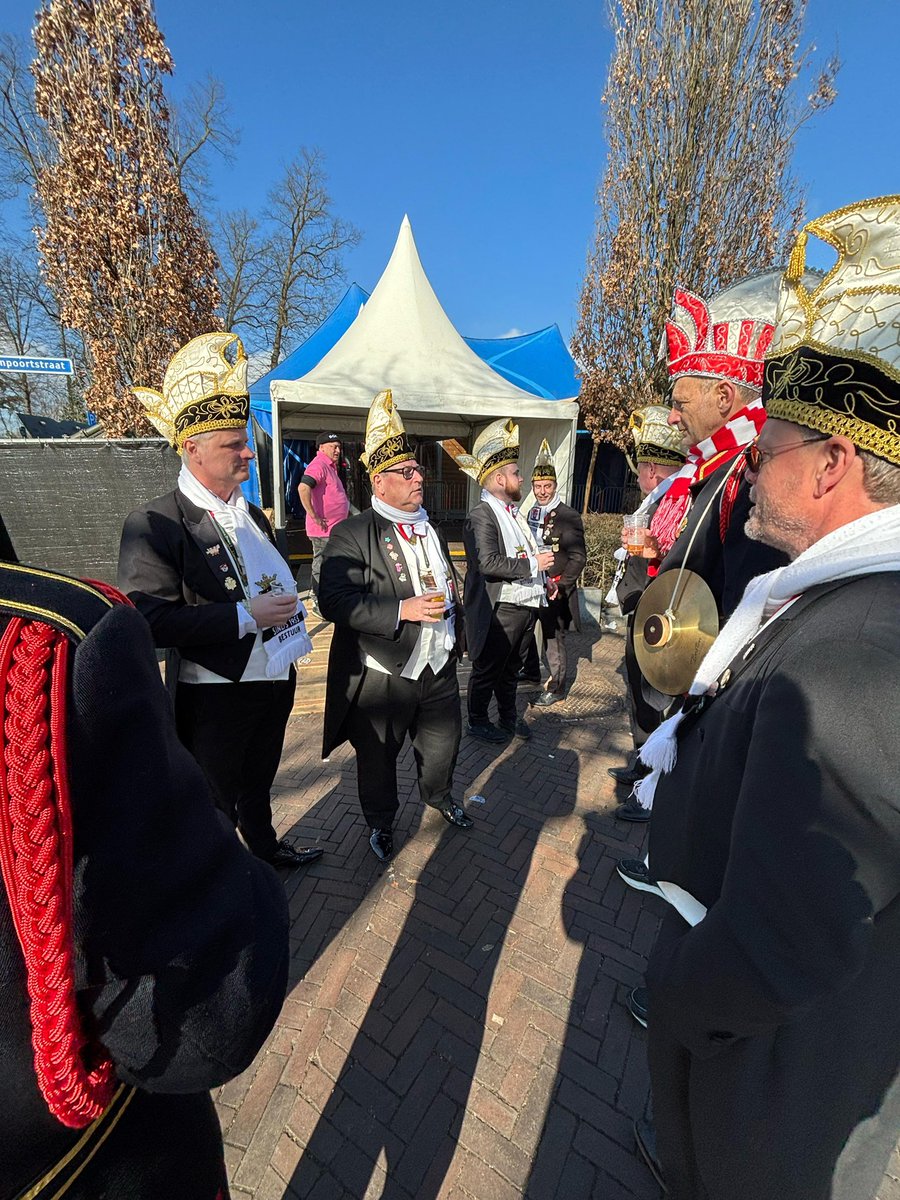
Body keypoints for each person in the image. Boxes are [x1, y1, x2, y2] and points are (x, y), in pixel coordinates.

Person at [635, 195, 900, 1200]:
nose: (748, 458)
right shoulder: (840, 605)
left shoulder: (859, 654)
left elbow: (791, 936)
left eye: (771, 443)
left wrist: (678, 992)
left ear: (835, 464)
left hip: (769, 1096)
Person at [0, 560, 289, 1198]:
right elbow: (207, 1025)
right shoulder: (55, 639)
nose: (247, 455)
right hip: (101, 1164)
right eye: (234, 448)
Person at [118, 332, 322, 871]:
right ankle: (217, 888)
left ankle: (263, 851)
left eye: (244, 440)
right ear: (193, 448)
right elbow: (149, 619)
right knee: (212, 803)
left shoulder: (250, 514)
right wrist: (244, 616)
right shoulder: (155, 521)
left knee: (259, 780)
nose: (248, 451)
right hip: (214, 695)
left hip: (274, 676)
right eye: (235, 443)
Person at [613, 271, 791, 825]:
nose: (671, 415)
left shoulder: (750, 470)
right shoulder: (719, 464)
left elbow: (747, 603)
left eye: (679, 401)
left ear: (724, 395)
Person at [318, 390, 470, 862]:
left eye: (417, 469)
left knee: (443, 746)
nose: (418, 476)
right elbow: (333, 601)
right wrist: (401, 610)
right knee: (378, 759)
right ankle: (381, 823)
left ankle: (439, 796)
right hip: (385, 674)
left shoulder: (432, 527)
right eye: (406, 472)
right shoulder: (351, 532)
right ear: (379, 483)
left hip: (439, 665)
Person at [441, 420, 555, 743]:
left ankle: (507, 717)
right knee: (489, 669)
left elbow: (524, 551)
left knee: (510, 670)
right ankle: (477, 720)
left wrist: (543, 579)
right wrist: (534, 564)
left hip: (525, 604)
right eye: (516, 473)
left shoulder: (512, 511)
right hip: (501, 608)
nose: (522, 478)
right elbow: (488, 563)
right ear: (500, 479)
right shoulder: (482, 515)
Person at [606, 406, 685, 786]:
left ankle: (653, 778)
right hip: (646, 611)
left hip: (659, 617)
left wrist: (652, 552)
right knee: (640, 693)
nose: (638, 476)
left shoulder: (676, 498)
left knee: (653, 698)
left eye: (639, 468)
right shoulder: (660, 499)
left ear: (650, 468)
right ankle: (643, 762)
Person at [521, 438, 587, 705]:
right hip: (532, 584)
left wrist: (561, 585)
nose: (542, 491)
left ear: (555, 485)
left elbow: (578, 557)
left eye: (547, 486)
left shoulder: (568, 515)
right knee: (527, 630)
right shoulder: (531, 512)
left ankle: (558, 687)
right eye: (537, 486)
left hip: (554, 588)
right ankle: (530, 672)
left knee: (553, 638)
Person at [297, 431, 350, 614]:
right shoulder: (319, 464)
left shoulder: (330, 466)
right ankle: (318, 602)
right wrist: (314, 516)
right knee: (322, 565)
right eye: (333, 447)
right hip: (323, 530)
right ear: (321, 448)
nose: (337, 450)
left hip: (334, 529)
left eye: (339, 447)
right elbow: (303, 488)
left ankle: (330, 597)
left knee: (332, 564)